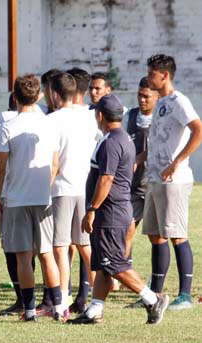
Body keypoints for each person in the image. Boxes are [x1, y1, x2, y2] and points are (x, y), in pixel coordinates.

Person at [68, 94, 169, 324]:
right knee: (103, 264)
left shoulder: (112, 142)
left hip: (110, 211)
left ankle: (153, 299)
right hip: (115, 209)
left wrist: (92, 208)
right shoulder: (121, 138)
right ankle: (95, 310)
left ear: (100, 115)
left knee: (112, 263)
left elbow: (106, 179)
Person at [0, 74, 63, 322]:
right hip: (41, 197)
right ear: (40, 96)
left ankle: (30, 310)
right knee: (47, 254)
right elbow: (55, 164)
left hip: (16, 198)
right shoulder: (49, 124)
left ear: (15, 96)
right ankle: (57, 308)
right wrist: (45, 187)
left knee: (23, 256)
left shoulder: (8, 126)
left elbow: (0, 168)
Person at [141, 54, 202, 310]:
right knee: (156, 235)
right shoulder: (162, 102)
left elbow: (198, 129)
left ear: (164, 75)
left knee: (176, 234)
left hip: (173, 181)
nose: (149, 77)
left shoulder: (179, 101)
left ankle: (185, 295)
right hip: (155, 179)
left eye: (152, 73)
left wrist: (177, 162)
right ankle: (155, 294)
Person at [47, 72, 98, 317]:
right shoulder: (88, 117)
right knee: (84, 246)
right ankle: (98, 298)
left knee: (60, 247)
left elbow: (53, 162)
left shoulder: (53, 120)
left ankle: (62, 303)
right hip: (83, 186)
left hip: (61, 190)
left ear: (55, 94)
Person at [122, 78, 158, 286]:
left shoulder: (162, 118)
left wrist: (141, 158)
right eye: (140, 95)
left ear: (157, 96)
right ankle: (124, 274)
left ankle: (157, 281)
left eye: (147, 96)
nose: (142, 100)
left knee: (158, 237)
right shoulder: (130, 116)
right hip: (133, 186)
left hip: (155, 185)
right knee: (126, 230)